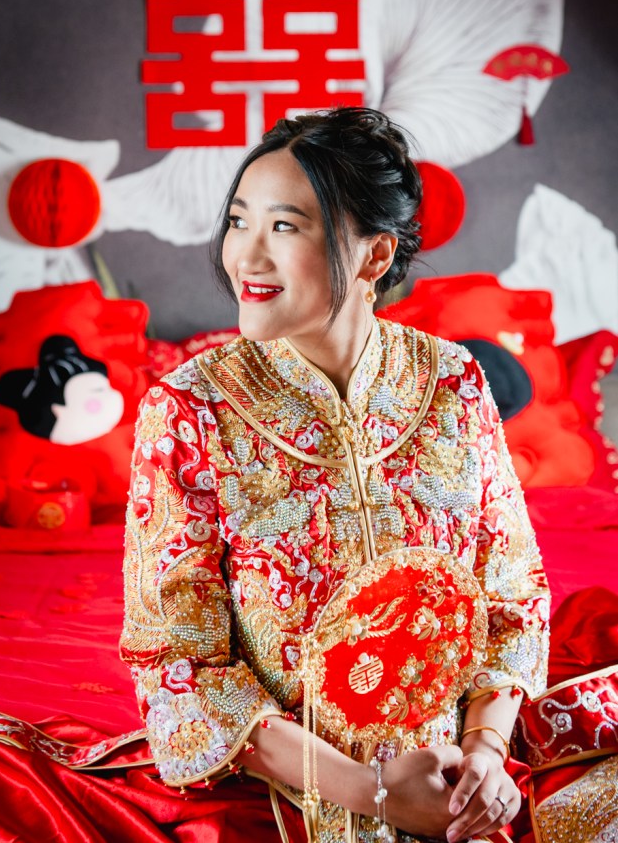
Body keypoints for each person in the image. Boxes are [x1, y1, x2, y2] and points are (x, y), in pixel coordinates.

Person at [120, 107, 550, 843]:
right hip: (281, 783)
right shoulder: (189, 408)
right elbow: (176, 663)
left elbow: (513, 592)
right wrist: (372, 791)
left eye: (284, 227)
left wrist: (483, 751)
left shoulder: (452, 382)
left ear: (374, 257)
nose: (245, 256)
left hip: (461, 777)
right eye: (236, 221)